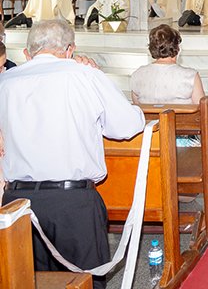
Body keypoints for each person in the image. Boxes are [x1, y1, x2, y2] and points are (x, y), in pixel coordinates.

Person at [0, 19, 145, 288]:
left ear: (28, 53)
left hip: (16, 202)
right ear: (70, 49)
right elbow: (128, 126)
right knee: (85, 281)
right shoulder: (85, 76)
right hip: (72, 202)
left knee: (24, 281)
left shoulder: (5, 81)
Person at [130, 24, 205, 147]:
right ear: (177, 48)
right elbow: (200, 111)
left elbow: (138, 107)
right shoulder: (190, 76)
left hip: (152, 141)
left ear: (152, 49)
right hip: (181, 143)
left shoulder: (137, 74)